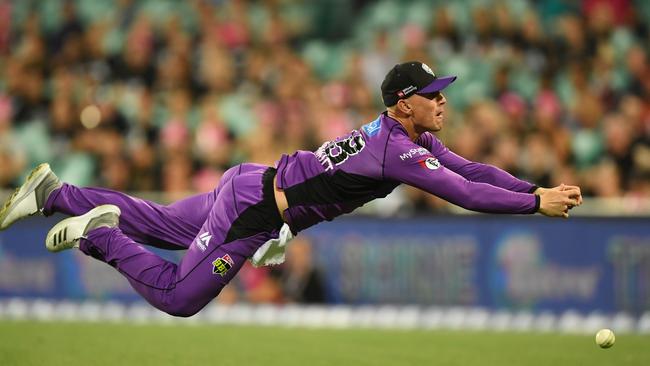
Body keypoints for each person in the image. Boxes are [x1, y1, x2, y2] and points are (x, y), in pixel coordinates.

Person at [0, 61, 582, 317]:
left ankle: (55, 193)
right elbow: (469, 196)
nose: (442, 100)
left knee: (155, 222)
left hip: (251, 183)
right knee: (179, 297)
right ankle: (98, 236)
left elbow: (477, 172)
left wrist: (535, 187)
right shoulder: (397, 148)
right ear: (403, 103)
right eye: (432, 94)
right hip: (255, 208)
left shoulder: (405, 137)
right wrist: (534, 204)